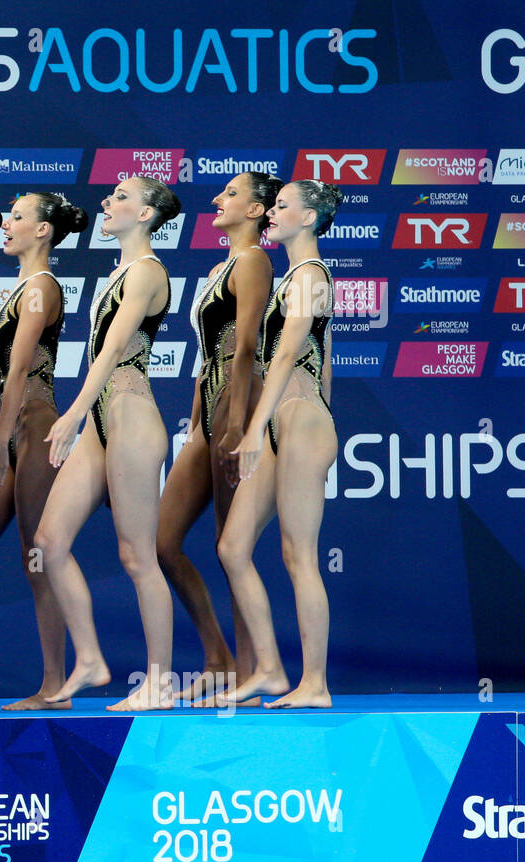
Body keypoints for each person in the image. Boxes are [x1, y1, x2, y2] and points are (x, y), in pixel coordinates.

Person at [38, 176, 179, 711]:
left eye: (121, 197)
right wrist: (83, 416)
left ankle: (160, 681)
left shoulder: (146, 270)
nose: (107, 202)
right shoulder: (120, 270)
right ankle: (92, 660)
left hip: (131, 415)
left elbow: (118, 343)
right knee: (50, 541)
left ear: (146, 215)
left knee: (137, 556)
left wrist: (73, 412)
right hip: (103, 420)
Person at [217, 180, 342, 709]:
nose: (271, 212)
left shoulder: (312, 274)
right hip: (284, 422)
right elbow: (325, 353)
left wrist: (253, 429)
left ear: (309, 219)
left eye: (283, 206)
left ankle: (315, 683)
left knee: (299, 555)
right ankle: (269, 668)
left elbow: (291, 352)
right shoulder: (293, 277)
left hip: (300, 421)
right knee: (233, 547)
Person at [156, 172, 279, 703]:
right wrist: (196, 422)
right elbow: (211, 354)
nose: (216, 199)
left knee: (234, 548)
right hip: (207, 405)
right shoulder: (220, 268)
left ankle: (252, 675)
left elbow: (248, 344)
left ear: (255, 211)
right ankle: (220, 658)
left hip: (236, 402)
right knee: (164, 542)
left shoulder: (254, 261)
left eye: (230, 193)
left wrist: (235, 424)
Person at [0, 193, 86, 711]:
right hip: (7, 428)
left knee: (37, 557)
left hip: (33, 429)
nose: (8, 225)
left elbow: (18, 372)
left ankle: (54, 685)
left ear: (43, 231)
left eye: (19, 217)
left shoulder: (40, 287)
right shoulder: (20, 287)